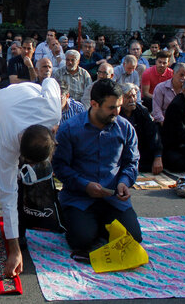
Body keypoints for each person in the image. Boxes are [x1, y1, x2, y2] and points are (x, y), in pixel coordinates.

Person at [52, 79, 142, 256]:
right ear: (94, 104)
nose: (116, 112)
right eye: (111, 108)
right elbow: (60, 166)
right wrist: (85, 185)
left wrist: (124, 182)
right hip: (80, 197)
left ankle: (98, 224)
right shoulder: (70, 129)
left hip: (114, 198)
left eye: (118, 106)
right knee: (81, 241)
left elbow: (132, 162)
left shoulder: (125, 128)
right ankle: (84, 222)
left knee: (133, 238)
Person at [0, 78, 61, 277]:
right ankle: (16, 234)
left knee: (35, 179)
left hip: (32, 94)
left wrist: (59, 114)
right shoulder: (8, 141)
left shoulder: (53, 110)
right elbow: (7, 193)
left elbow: (49, 80)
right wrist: (13, 250)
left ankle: (31, 217)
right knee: (11, 181)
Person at [120, 83, 163, 174]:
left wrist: (157, 157)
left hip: (140, 152)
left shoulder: (142, 111)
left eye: (134, 96)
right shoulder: (117, 112)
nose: (132, 100)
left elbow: (153, 134)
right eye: (128, 97)